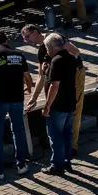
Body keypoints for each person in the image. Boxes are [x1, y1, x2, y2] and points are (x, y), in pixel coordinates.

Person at [0, 30, 33, 178]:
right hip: (17, 100)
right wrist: (28, 88)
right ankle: (21, 165)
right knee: (18, 131)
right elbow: (28, 78)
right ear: (7, 40)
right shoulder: (19, 55)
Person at [38, 34, 80, 174]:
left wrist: (47, 106)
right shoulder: (70, 57)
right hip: (70, 102)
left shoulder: (56, 61)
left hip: (58, 105)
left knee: (56, 136)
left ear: (51, 47)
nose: (46, 51)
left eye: (46, 48)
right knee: (67, 134)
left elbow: (54, 85)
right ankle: (67, 161)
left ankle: (57, 165)